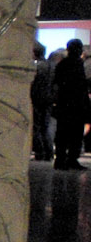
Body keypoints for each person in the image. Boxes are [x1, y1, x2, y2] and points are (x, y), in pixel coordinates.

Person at [51, 39, 88, 171]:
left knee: (63, 133)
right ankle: (70, 159)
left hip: (64, 104)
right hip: (75, 105)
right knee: (74, 134)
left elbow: (56, 84)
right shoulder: (77, 64)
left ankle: (61, 160)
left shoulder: (62, 64)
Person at [32, 42, 55, 162]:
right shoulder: (52, 65)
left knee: (36, 127)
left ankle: (39, 152)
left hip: (36, 99)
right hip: (48, 99)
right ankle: (49, 152)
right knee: (45, 127)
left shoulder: (35, 66)